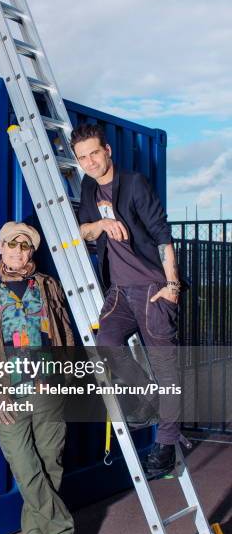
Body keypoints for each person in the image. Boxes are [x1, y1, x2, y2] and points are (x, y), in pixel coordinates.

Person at [71, 123, 182, 478]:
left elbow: (163, 235)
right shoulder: (89, 186)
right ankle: (148, 397)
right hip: (119, 292)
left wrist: (172, 286)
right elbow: (82, 229)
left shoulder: (134, 184)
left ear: (108, 151)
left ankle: (165, 446)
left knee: (166, 368)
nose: (90, 162)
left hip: (152, 290)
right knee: (105, 344)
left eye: (94, 153)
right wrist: (102, 227)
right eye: (82, 157)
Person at [0, 221, 77, 534]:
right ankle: (62, 531)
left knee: (50, 463)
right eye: (11, 245)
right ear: (0, 247)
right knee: (26, 466)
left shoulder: (47, 286)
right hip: (7, 391)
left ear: (32, 251)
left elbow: (66, 334)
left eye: (24, 246)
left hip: (48, 388)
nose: (17, 252)